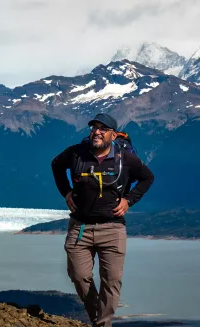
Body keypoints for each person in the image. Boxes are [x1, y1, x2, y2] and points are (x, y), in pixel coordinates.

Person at [51, 113, 154, 327]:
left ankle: (102, 325)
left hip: (113, 229)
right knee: (79, 277)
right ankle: (97, 316)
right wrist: (66, 192)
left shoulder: (125, 157)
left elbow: (147, 177)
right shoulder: (77, 153)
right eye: (93, 127)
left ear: (113, 135)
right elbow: (56, 165)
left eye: (102, 128)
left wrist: (128, 200)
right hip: (80, 227)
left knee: (112, 281)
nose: (96, 132)